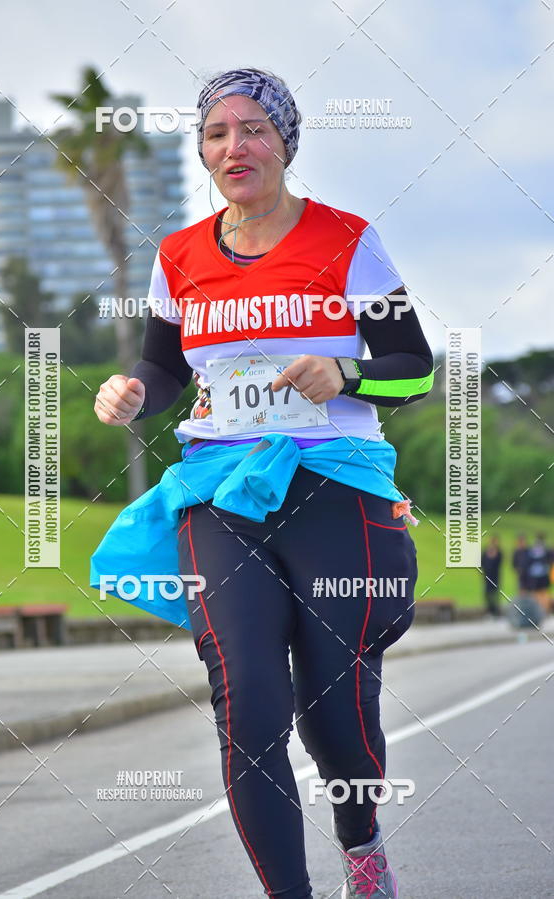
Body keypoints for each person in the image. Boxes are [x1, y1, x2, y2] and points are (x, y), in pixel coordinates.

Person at [92, 67, 434, 899]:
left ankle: (363, 845)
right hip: (222, 492)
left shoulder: (346, 239)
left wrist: (346, 374)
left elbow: (414, 368)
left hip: (334, 488)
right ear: (203, 150)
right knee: (246, 703)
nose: (233, 146)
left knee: (335, 715)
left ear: (285, 141)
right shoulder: (178, 256)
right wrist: (134, 394)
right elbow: (163, 367)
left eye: (252, 129)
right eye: (216, 133)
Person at [525, 533, 552, 614]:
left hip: (537, 576)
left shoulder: (534, 550)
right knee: (541, 594)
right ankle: (543, 611)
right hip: (540, 575)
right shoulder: (546, 550)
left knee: (539, 594)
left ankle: (542, 611)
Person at [480, 536, 503, 618]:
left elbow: (499, 561)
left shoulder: (499, 552)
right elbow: (481, 562)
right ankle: (489, 610)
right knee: (487, 594)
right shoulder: (486, 551)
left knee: (495, 594)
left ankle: (496, 611)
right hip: (487, 576)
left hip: (495, 576)